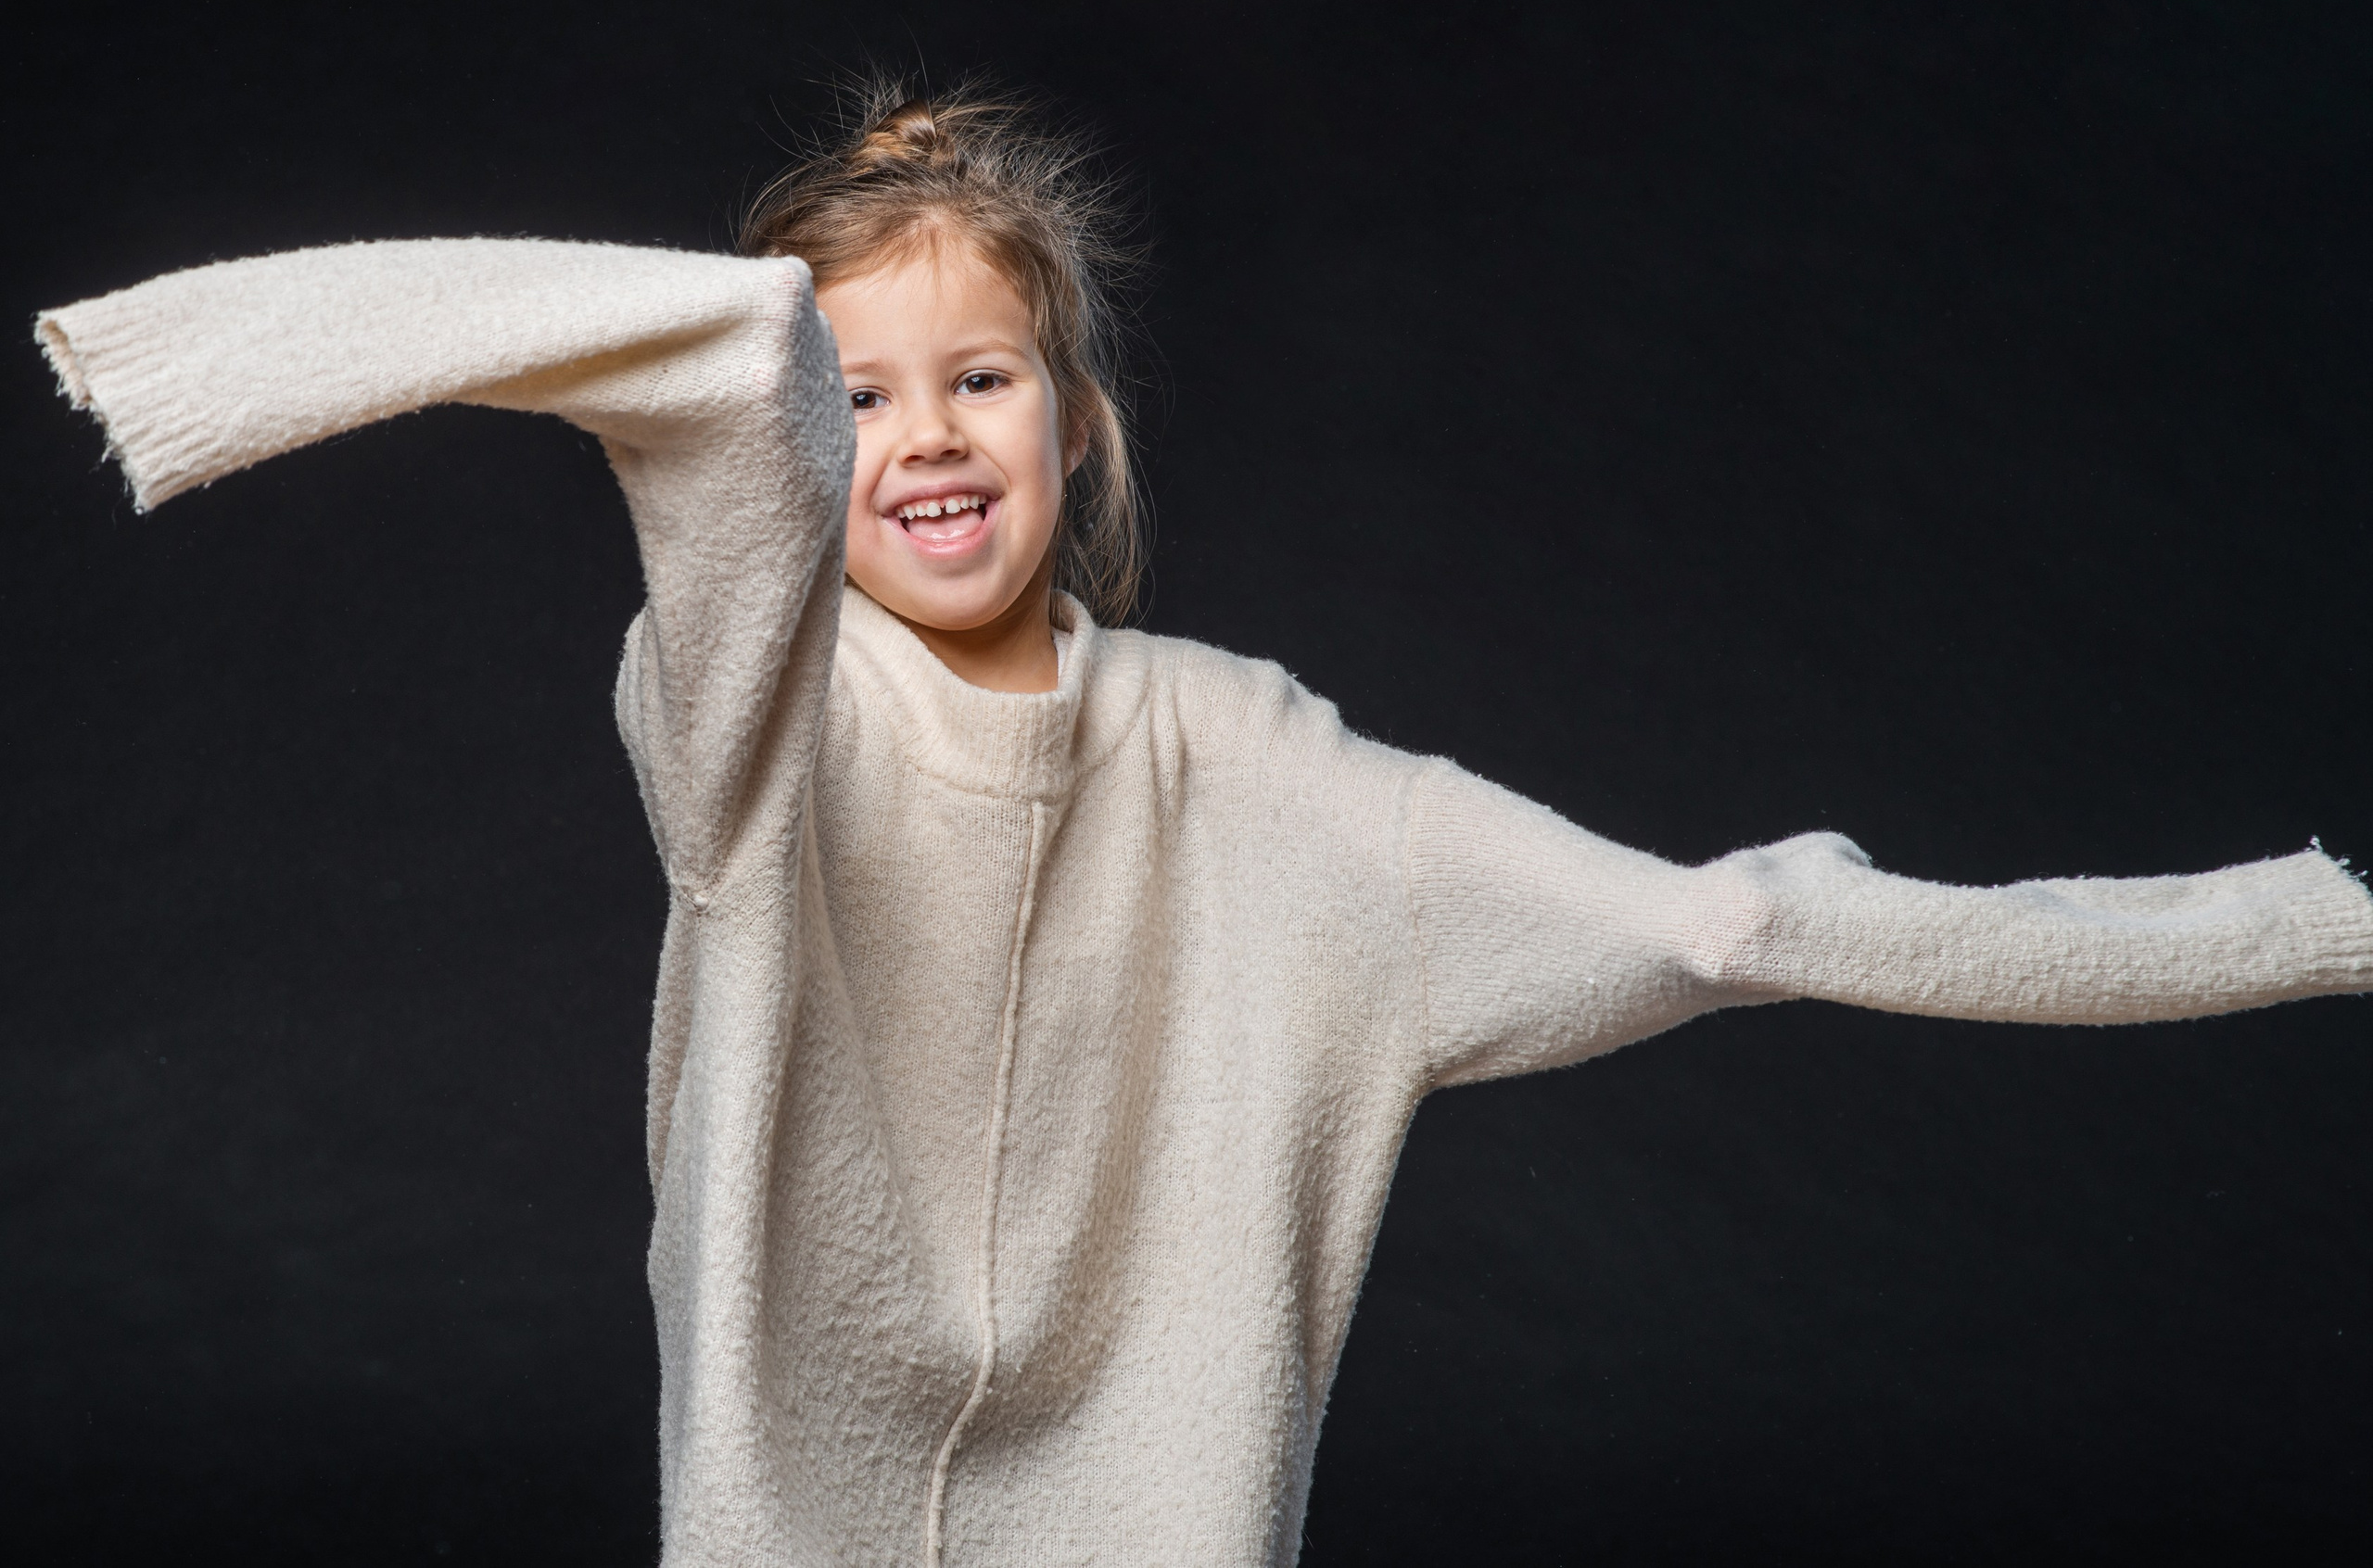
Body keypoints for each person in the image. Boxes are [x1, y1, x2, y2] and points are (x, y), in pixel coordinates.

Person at [34, 77, 2373, 1568]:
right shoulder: (743, 704)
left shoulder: (1239, 752)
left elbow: (1706, 924)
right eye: (862, 397)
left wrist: (2294, 927)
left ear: (1076, 423)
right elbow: (715, 449)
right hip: (789, 1499)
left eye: (981, 375)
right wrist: (321, 368)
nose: (925, 434)